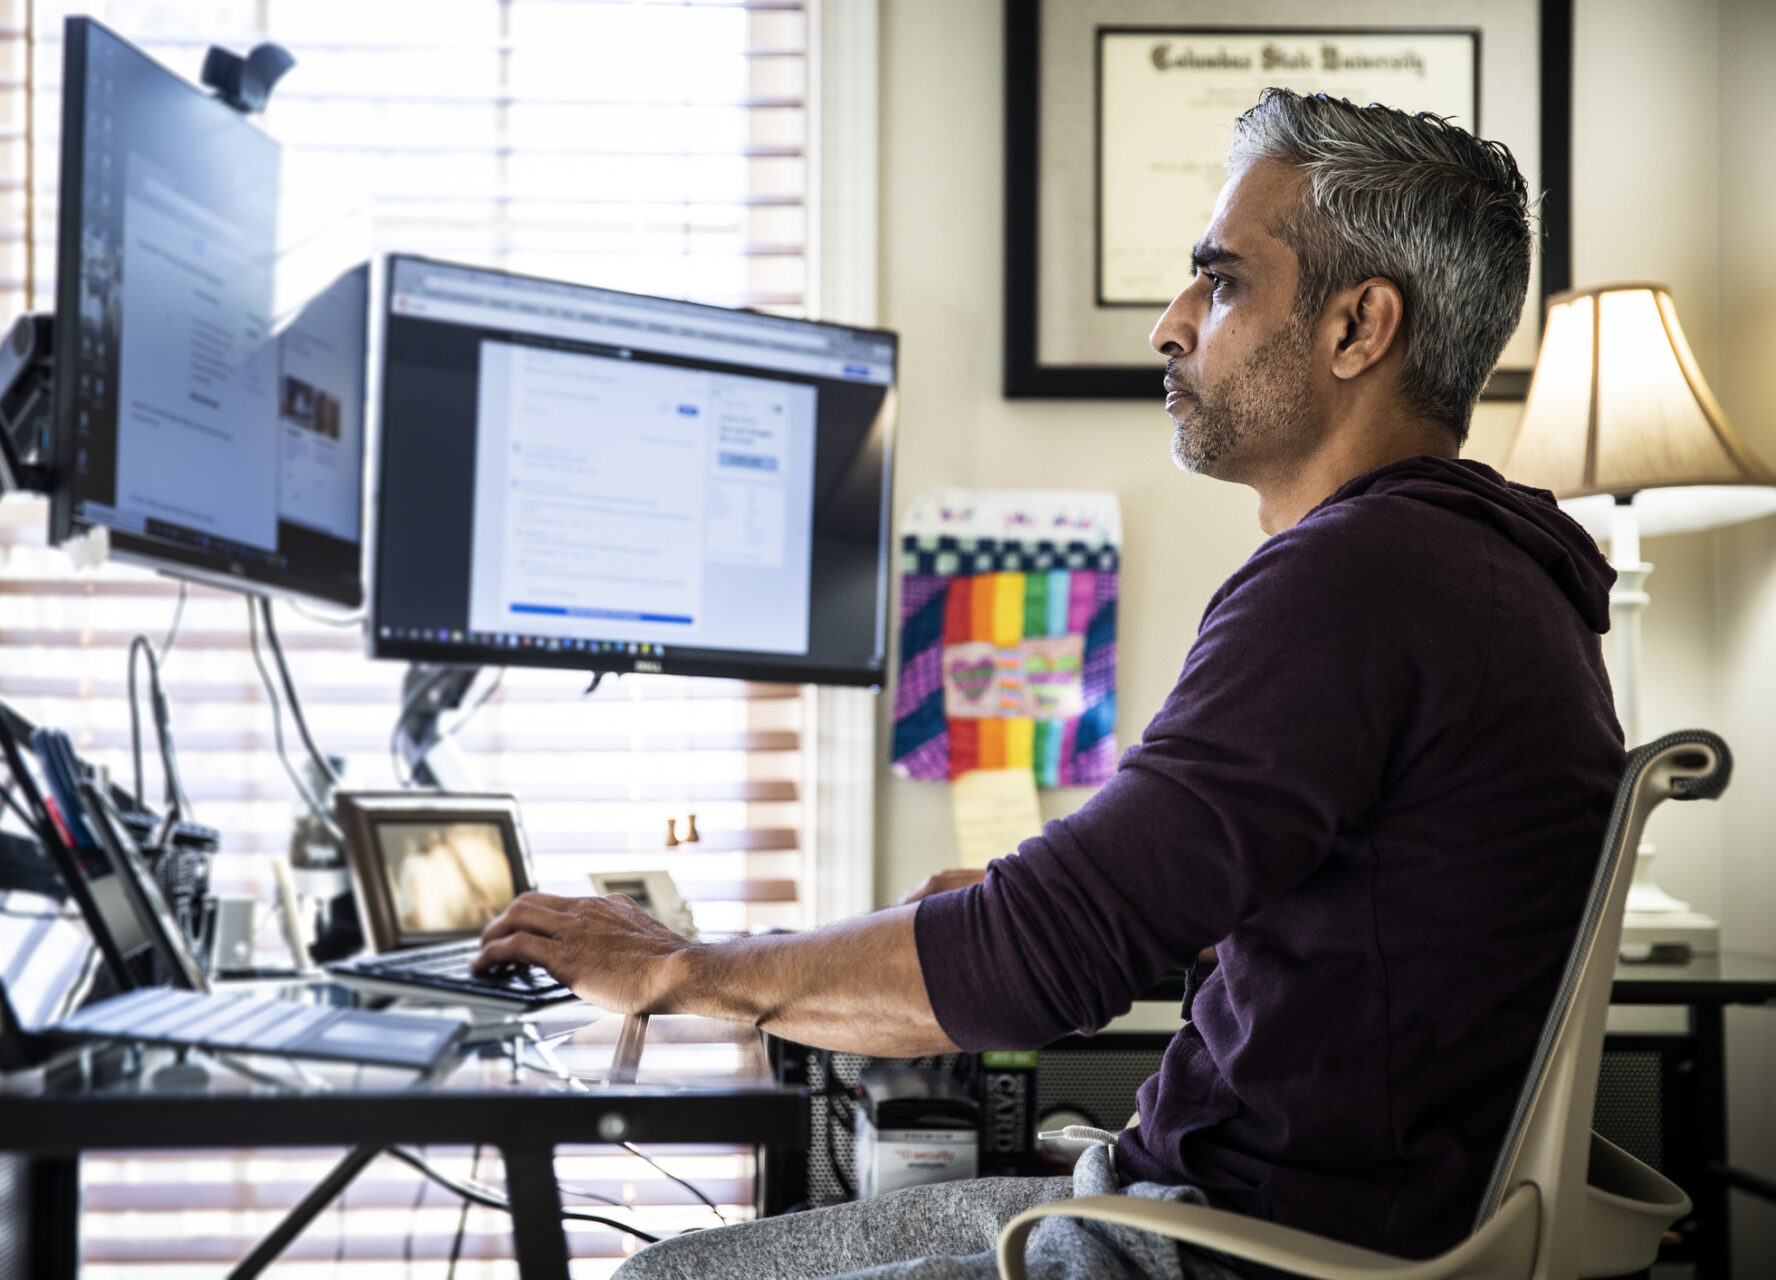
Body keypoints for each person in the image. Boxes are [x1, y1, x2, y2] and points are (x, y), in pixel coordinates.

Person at [475, 88, 1624, 1280]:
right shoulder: (1484, 570)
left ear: (1357, 327)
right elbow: (1380, 927)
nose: (1170, 326)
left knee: (666, 1274)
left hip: (1227, 1250)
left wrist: (678, 970)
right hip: (1248, 1209)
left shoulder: (1356, 580)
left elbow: (1039, 963)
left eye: (1222, 281)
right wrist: (1077, 907)